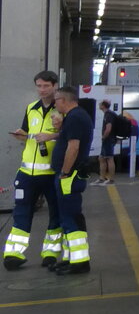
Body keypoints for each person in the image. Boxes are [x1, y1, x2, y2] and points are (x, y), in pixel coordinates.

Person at [3, 71, 64, 270]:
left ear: (55, 86)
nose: (42, 90)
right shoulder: (31, 108)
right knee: (21, 212)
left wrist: (53, 135)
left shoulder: (63, 109)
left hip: (52, 173)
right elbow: (27, 133)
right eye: (38, 86)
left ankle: (50, 253)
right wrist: (22, 135)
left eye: (46, 86)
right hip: (27, 173)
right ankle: (13, 254)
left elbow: (72, 136)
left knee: (55, 213)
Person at [43, 86, 94, 274]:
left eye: (56, 100)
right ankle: (73, 257)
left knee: (70, 218)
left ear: (64, 100)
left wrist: (64, 172)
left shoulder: (75, 118)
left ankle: (79, 262)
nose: (55, 103)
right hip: (70, 176)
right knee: (69, 218)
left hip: (69, 177)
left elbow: (73, 148)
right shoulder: (76, 117)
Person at [98, 99, 118, 185]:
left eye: (100, 104)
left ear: (103, 105)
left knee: (109, 158)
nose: (99, 105)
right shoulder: (109, 114)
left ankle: (111, 179)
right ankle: (102, 178)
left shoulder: (108, 115)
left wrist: (103, 136)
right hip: (109, 139)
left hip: (108, 139)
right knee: (101, 158)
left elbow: (108, 128)